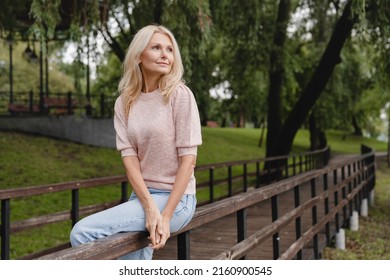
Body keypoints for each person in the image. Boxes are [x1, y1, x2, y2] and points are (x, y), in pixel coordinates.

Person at [69, 24, 202, 260]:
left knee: (83, 233)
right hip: (140, 198)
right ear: (139, 55)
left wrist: (165, 215)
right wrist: (149, 207)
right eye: (156, 48)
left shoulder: (179, 95)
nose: (165, 55)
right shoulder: (124, 103)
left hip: (177, 200)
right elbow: (129, 159)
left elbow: (188, 161)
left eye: (170, 49)